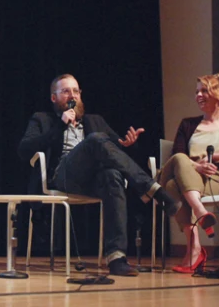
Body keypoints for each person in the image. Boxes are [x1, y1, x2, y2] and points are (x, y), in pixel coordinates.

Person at [18, 74, 178, 276]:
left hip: (94, 180)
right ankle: (152, 189)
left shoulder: (95, 121)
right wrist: (60, 125)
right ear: (54, 98)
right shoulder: (42, 119)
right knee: (95, 140)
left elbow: (116, 154)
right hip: (63, 176)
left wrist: (128, 146)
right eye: (66, 91)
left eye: (76, 91)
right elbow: (24, 150)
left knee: (112, 174)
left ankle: (116, 258)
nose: (72, 95)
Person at [157, 72, 219, 273]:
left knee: (172, 186)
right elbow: (178, 154)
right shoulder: (188, 124)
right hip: (188, 173)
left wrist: (216, 157)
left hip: (213, 179)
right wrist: (196, 166)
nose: (198, 95)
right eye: (197, 91)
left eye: (204, 91)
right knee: (180, 161)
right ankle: (200, 214)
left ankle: (194, 249)